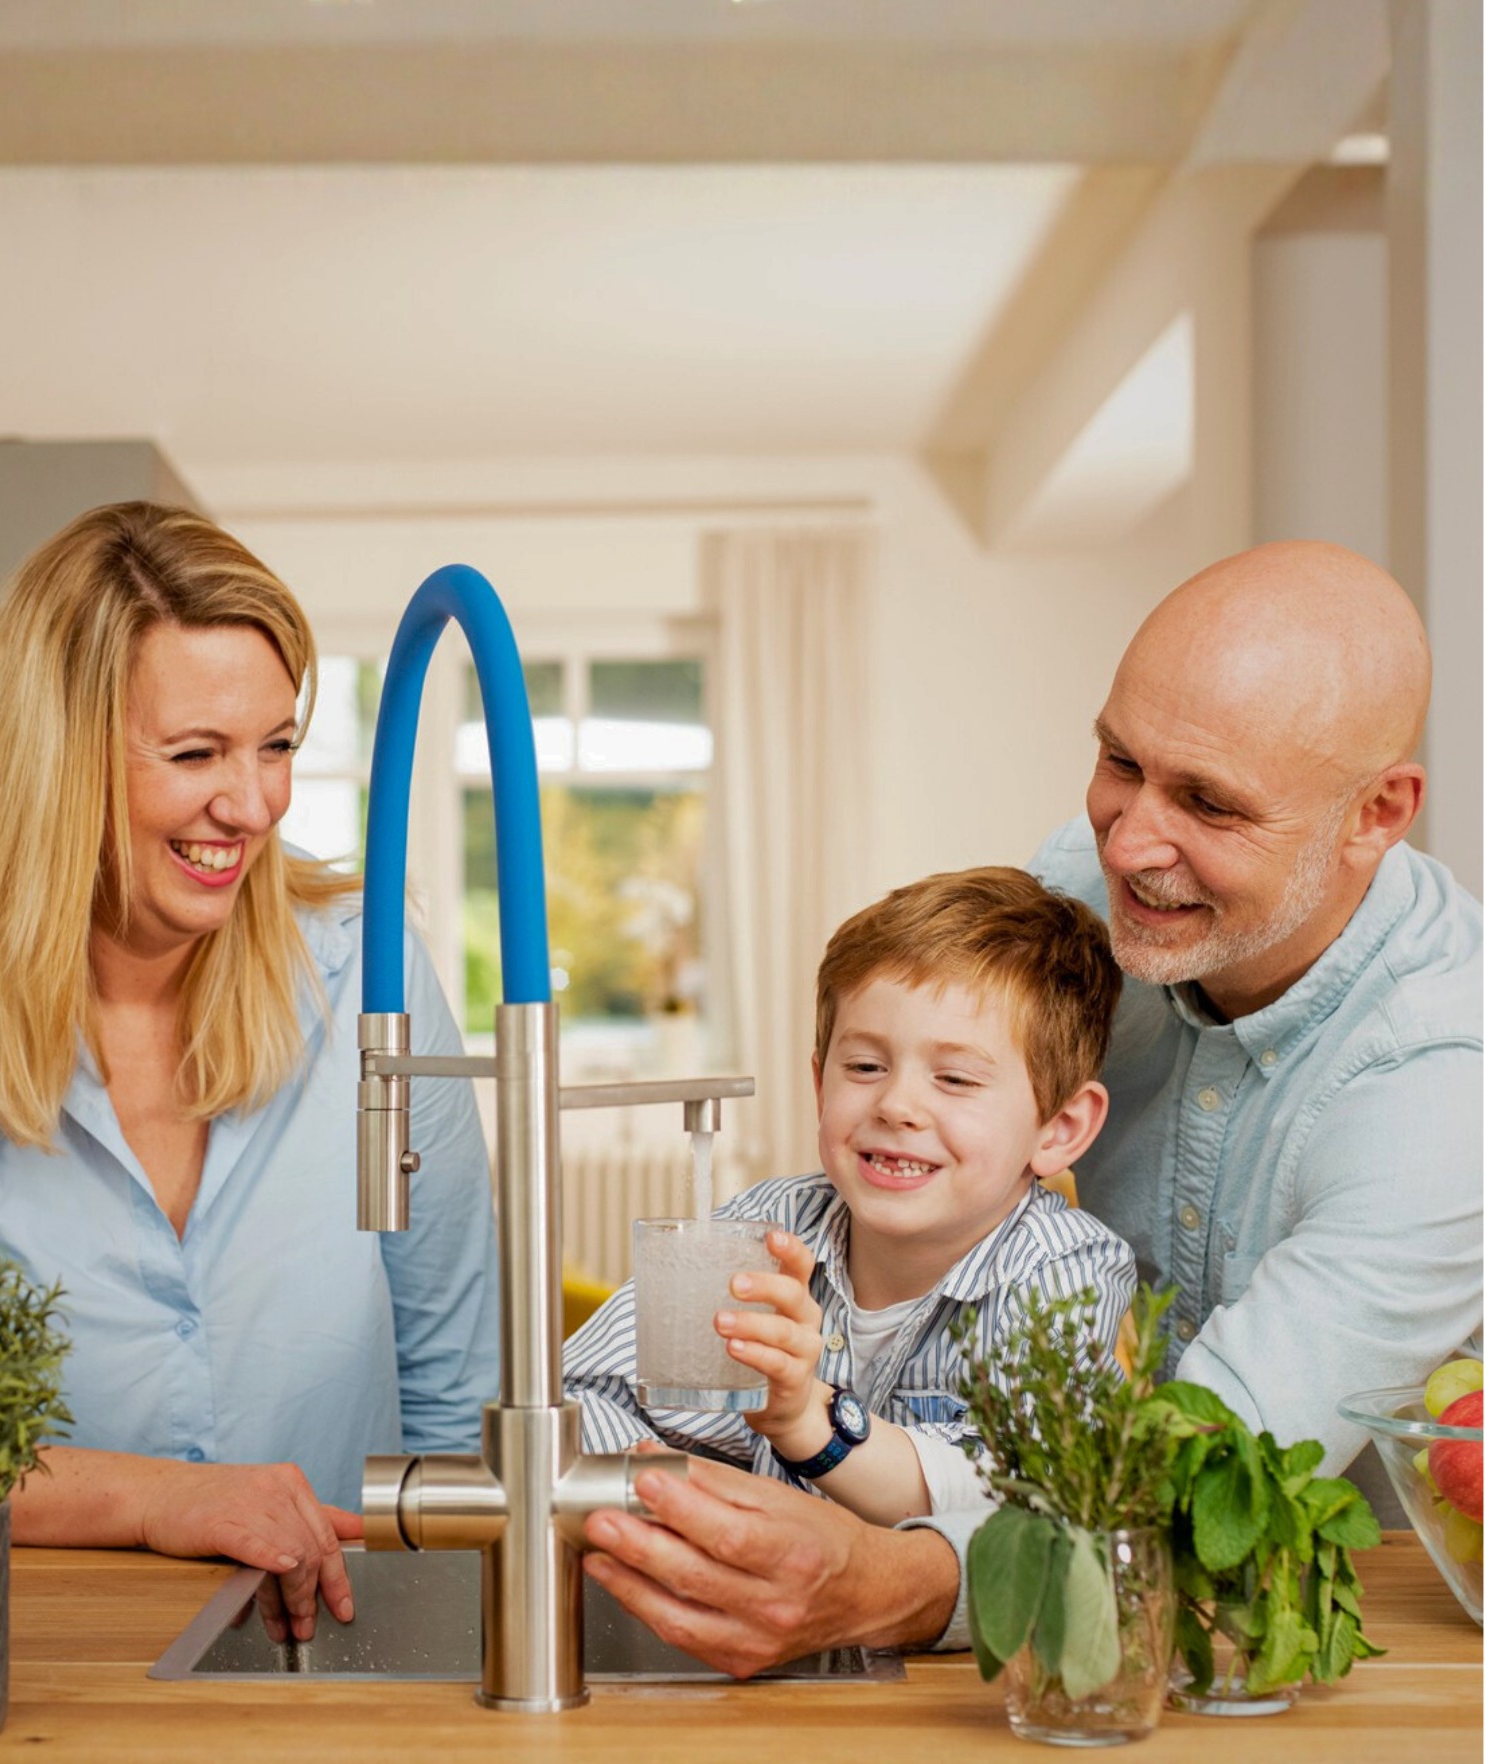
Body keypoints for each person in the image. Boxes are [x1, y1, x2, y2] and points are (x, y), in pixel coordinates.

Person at [581, 538, 1481, 1675]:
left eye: (1209, 802)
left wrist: (888, 1579)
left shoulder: (1444, 1093)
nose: (1129, 841)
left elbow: (1192, 1486)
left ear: (1376, 813)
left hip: (1319, 1625)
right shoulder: (1095, 893)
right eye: (1119, 760)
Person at [0, 501, 499, 1641]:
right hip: (34, 1667)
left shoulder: (367, 978)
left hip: (341, 1649)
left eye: (276, 745)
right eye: (195, 754)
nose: (254, 804)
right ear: (54, 763)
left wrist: (450, 1648)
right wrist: (155, 1496)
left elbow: (453, 1381)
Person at [567, 867, 1134, 1554]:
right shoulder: (770, 1226)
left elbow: (1029, 1495)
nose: (896, 1105)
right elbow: (577, 1395)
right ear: (820, 1085)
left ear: (1060, 1129)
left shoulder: (1065, 1268)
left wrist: (810, 1421)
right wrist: (681, 1503)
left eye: (955, 1078)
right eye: (865, 1067)